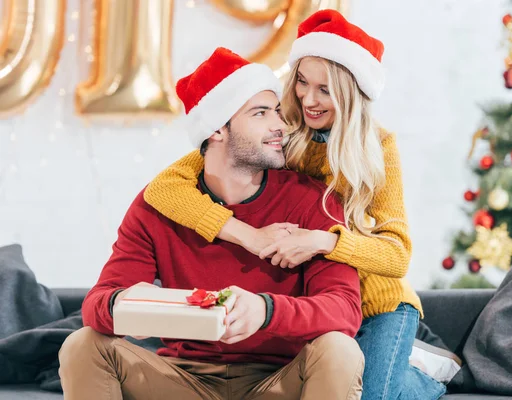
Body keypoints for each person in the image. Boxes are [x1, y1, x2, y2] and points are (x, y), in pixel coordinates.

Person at [143, 9, 449, 400]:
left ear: (350, 92)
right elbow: (164, 188)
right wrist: (249, 236)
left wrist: (322, 241)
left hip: (378, 303)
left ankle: (429, 373)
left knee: (372, 395)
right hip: (320, 297)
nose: (308, 98)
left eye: (325, 90)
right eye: (302, 81)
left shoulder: (379, 147)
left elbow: (397, 255)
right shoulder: (276, 128)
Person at [58, 47, 364, 400]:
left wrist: (265, 311)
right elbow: (96, 303)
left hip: (279, 380)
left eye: (277, 111)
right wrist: (129, 306)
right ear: (217, 129)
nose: (281, 125)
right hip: (182, 380)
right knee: (82, 344)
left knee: (340, 350)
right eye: (261, 113)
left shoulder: (311, 199)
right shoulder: (157, 206)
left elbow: (343, 310)